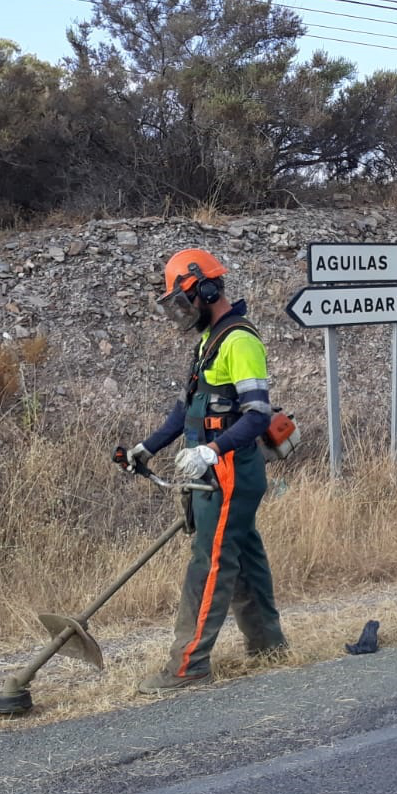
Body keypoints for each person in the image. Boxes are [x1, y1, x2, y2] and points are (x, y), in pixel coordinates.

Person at [122, 248, 287, 693]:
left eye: (184, 299)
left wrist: (212, 452)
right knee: (243, 555)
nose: (180, 310)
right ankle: (269, 646)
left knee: (211, 563)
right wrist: (147, 447)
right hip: (216, 471)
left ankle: (188, 665)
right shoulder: (208, 341)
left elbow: (256, 414)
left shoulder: (240, 341)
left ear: (207, 289)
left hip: (230, 470)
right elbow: (188, 410)